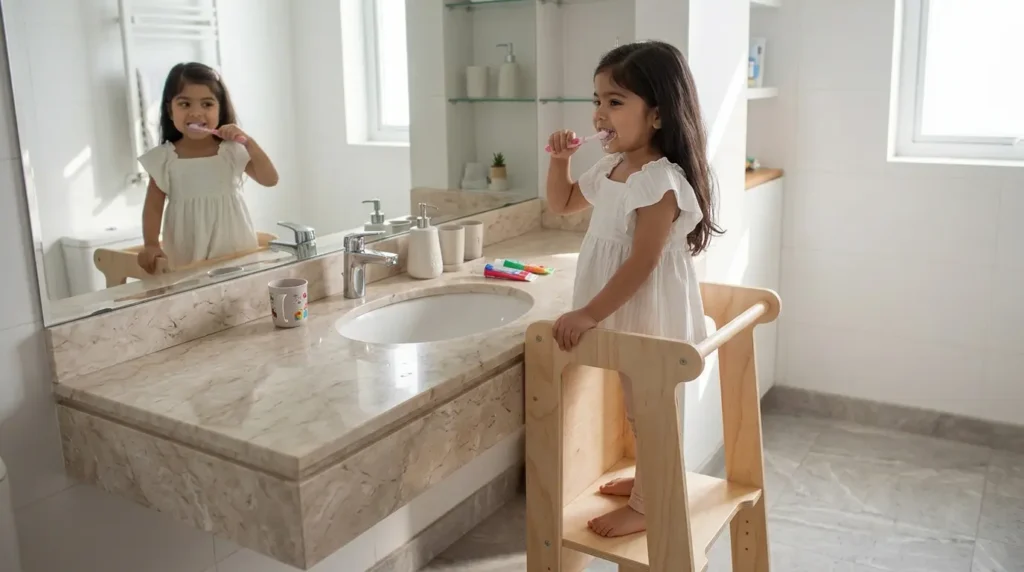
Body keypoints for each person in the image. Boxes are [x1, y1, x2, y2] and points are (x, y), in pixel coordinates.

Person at [545, 40, 722, 538]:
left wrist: (588, 315)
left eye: (615, 102)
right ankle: (647, 479)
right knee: (635, 404)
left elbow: (643, 261)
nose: (600, 113)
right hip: (626, 309)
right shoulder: (611, 168)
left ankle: (650, 505)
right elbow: (562, 205)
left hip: (647, 310)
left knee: (649, 407)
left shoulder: (657, 181)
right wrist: (560, 161)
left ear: (659, 115)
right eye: (597, 100)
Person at [137, 62, 279, 273]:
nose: (196, 113)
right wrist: (151, 245)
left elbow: (270, 179)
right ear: (170, 109)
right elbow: (153, 207)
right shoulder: (164, 158)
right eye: (185, 104)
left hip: (235, 248)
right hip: (187, 252)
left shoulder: (232, 150)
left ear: (220, 109)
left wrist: (248, 142)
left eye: (207, 104)